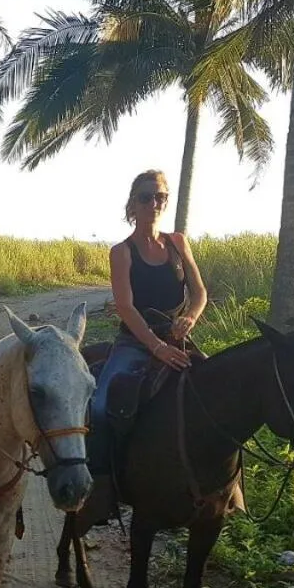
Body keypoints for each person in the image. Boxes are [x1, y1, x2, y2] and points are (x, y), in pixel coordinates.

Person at [88, 169, 208, 476]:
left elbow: (199, 293)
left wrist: (190, 317)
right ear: (133, 204)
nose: (154, 203)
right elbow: (125, 307)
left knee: (217, 396)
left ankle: (224, 487)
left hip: (176, 338)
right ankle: (101, 481)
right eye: (145, 197)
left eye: (160, 197)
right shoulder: (122, 252)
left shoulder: (178, 243)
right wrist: (156, 347)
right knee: (100, 407)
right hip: (135, 341)